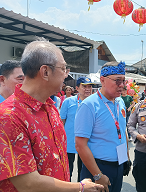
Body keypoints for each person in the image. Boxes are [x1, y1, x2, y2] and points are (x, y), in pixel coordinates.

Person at [0, 38, 103, 192]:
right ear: (45, 72)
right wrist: (79, 187)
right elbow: (28, 183)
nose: (66, 75)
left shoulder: (50, 106)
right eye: (64, 68)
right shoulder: (9, 116)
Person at [75, 61, 129, 192]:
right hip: (98, 168)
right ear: (102, 80)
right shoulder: (89, 105)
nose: (121, 85)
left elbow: (122, 131)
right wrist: (97, 175)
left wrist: (126, 158)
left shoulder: (120, 102)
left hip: (118, 165)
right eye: (117, 81)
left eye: (123, 81)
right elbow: (80, 145)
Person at [60, 77, 94, 182]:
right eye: (84, 86)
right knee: (67, 171)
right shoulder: (68, 101)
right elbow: (62, 122)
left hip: (86, 144)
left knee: (83, 172)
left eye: (90, 86)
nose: (87, 89)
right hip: (70, 142)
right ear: (77, 88)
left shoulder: (94, 103)